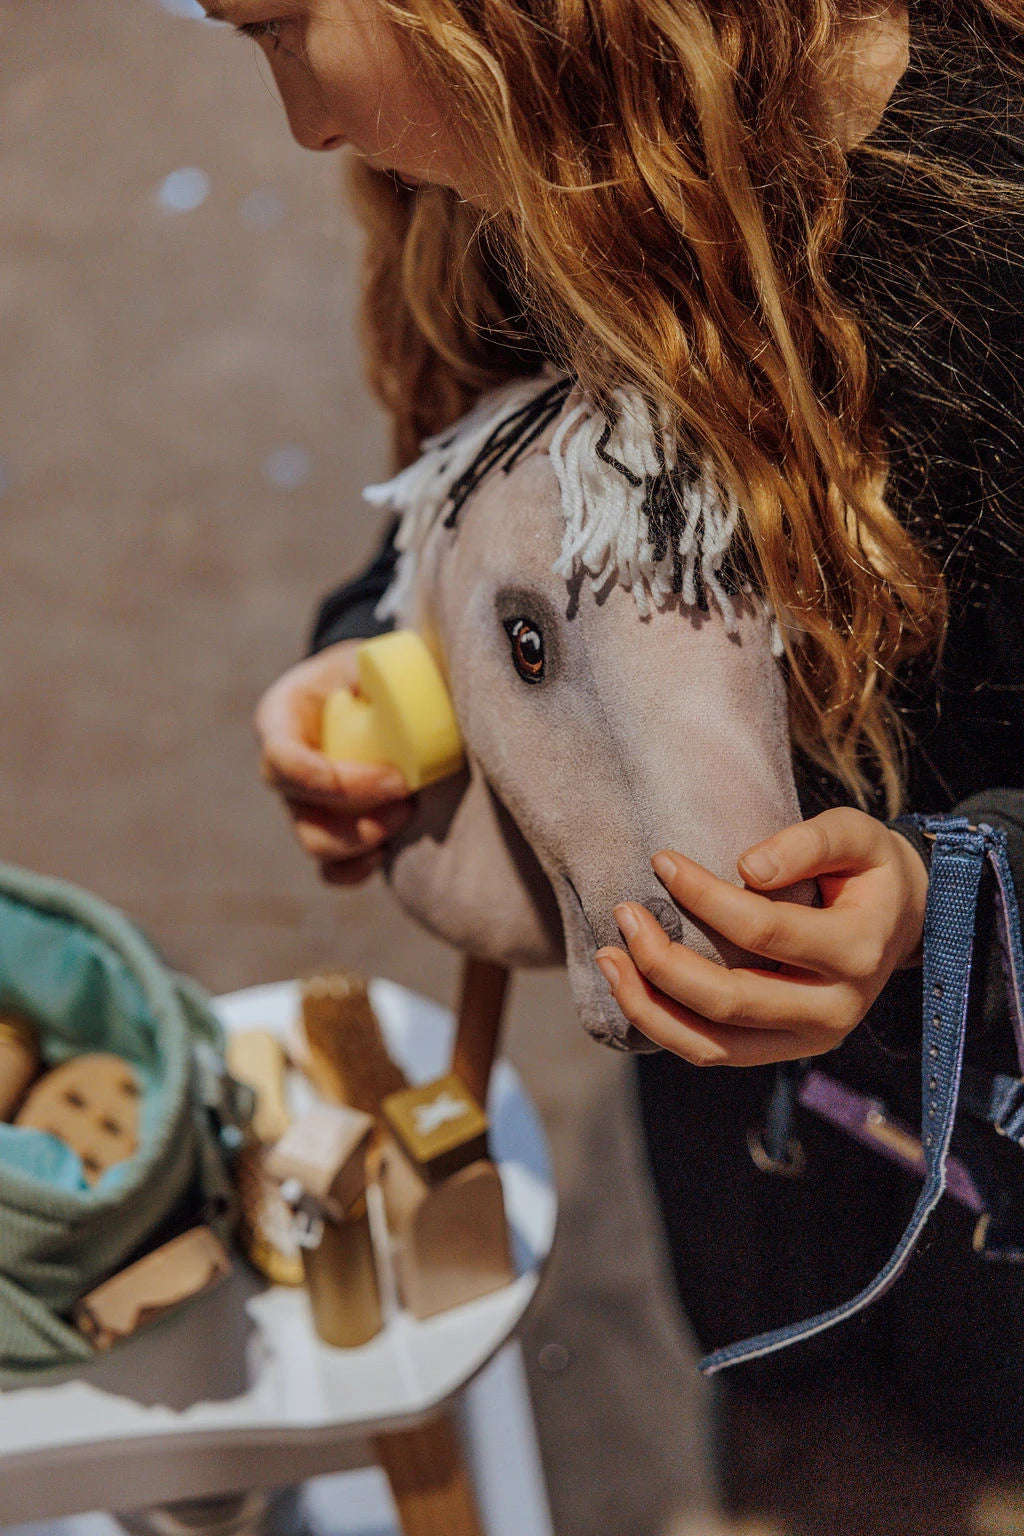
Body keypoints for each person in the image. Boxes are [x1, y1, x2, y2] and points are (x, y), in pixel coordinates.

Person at [221, 0, 1024, 1456]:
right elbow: (485, 488)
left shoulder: (990, 222)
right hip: (719, 1069)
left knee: (982, 1386)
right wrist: (370, 652)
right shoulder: (534, 164)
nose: (308, 127)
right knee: (777, 1331)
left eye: (281, 31)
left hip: (991, 1073)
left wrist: (948, 897)